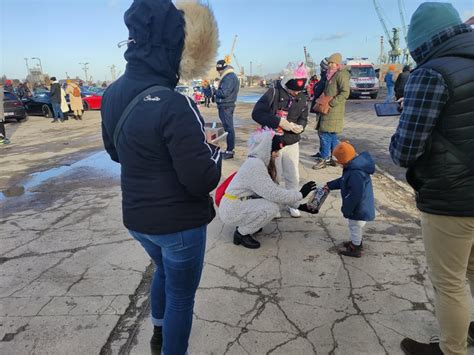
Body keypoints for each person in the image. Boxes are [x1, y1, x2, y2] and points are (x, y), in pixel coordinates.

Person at [101, 1, 220, 354]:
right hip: (179, 225)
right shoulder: (173, 103)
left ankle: (158, 332)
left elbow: (115, 153)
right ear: (175, 47)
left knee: (162, 272)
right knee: (182, 297)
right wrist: (212, 150)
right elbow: (201, 179)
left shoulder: (111, 94)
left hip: (138, 219)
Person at [389, 3, 474, 354]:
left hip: (451, 197)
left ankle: (451, 349)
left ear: (422, 40)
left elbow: (404, 150)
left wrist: (409, 111)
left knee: (449, 282)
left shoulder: (431, 73)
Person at [219, 129, 318, 249]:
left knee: (275, 203)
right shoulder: (255, 166)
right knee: (271, 208)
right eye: (275, 151)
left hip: (237, 203)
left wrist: (300, 206)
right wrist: (300, 194)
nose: (277, 155)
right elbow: (274, 194)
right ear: (266, 150)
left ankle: (248, 224)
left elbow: (274, 191)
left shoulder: (257, 162)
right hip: (232, 209)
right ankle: (241, 233)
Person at [252, 62, 309, 218]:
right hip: (273, 141)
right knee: (274, 175)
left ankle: (293, 203)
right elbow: (257, 114)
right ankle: (273, 204)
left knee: (293, 175)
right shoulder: (273, 93)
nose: (295, 94)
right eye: (292, 90)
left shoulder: (303, 96)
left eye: (298, 91)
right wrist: (279, 122)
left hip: (292, 141)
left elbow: (304, 117)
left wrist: (301, 127)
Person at [325, 142, 375, 257]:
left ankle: (356, 248)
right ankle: (355, 242)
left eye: (338, 161)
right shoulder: (354, 166)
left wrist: (347, 209)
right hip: (360, 206)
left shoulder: (355, 173)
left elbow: (355, 194)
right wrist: (329, 185)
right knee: (356, 227)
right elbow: (343, 180)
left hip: (359, 207)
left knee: (355, 226)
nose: (338, 163)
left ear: (344, 160)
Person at [312, 53, 350, 170]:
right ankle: (336, 157)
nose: (330, 65)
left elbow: (345, 93)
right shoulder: (331, 75)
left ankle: (324, 159)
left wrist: (331, 103)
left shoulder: (341, 74)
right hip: (328, 109)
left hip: (333, 110)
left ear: (338, 63)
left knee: (324, 134)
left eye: (333, 63)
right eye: (329, 63)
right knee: (332, 135)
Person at [215, 59, 240, 160]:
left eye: (219, 70)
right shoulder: (229, 76)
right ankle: (229, 149)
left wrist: (215, 90)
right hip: (226, 105)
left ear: (223, 69)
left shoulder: (229, 77)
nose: (219, 72)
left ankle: (230, 151)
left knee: (229, 128)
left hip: (226, 105)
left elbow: (224, 93)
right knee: (228, 128)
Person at [310, 57, 329, 159]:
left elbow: (320, 91)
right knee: (320, 132)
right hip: (319, 107)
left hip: (322, 107)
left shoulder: (327, 78)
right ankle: (322, 152)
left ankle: (325, 156)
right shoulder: (323, 77)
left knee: (323, 133)